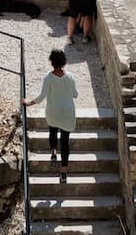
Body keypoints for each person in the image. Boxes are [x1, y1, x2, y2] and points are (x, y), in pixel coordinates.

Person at [24, 49, 79, 178]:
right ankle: (64, 170)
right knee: (65, 141)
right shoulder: (70, 76)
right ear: (64, 62)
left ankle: (53, 152)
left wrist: (29, 102)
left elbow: (41, 97)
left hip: (53, 112)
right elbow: (75, 95)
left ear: (51, 62)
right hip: (67, 113)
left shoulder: (48, 78)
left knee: (52, 131)